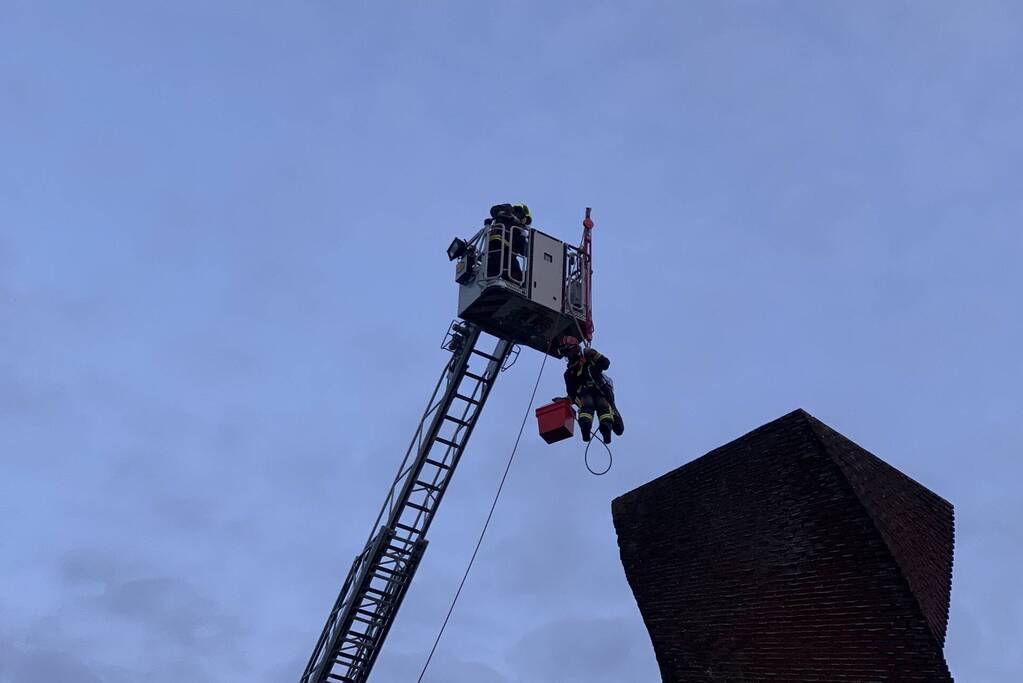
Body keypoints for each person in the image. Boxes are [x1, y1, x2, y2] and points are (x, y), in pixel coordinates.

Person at [556, 335, 624, 444]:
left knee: (603, 404)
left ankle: (606, 428)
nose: (567, 356)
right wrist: (565, 400)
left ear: (574, 349)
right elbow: (572, 395)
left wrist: (594, 354)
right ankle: (585, 428)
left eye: (567, 352)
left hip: (600, 390)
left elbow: (605, 364)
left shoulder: (589, 359)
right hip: (584, 394)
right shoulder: (569, 374)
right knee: (588, 403)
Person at [485, 203, 530, 282]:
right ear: (523, 214)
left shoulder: (519, 230)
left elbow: (525, 251)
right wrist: (507, 215)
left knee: (519, 278)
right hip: (497, 248)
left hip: (509, 256)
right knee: (495, 270)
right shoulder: (508, 209)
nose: (525, 223)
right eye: (526, 220)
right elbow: (494, 209)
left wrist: (523, 236)